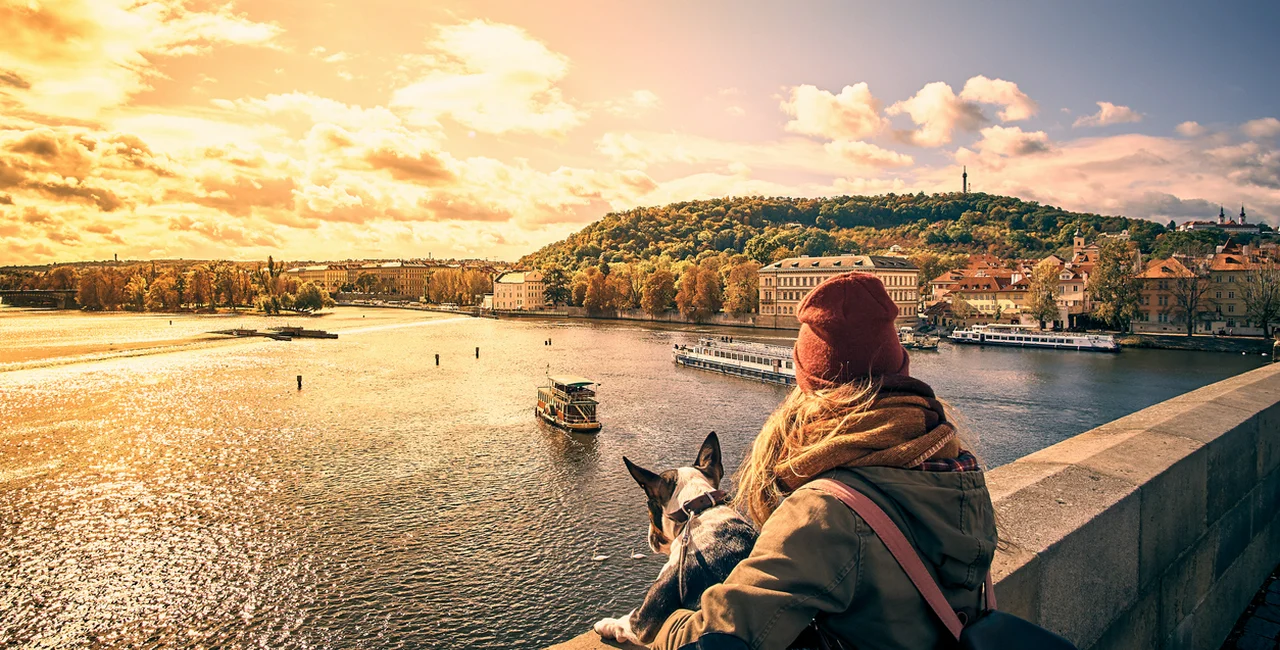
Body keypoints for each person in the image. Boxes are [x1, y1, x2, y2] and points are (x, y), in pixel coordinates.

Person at [649, 273, 997, 650]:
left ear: (809, 390)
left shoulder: (825, 511)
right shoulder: (960, 469)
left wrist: (665, 620)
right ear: (900, 374)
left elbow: (714, 635)